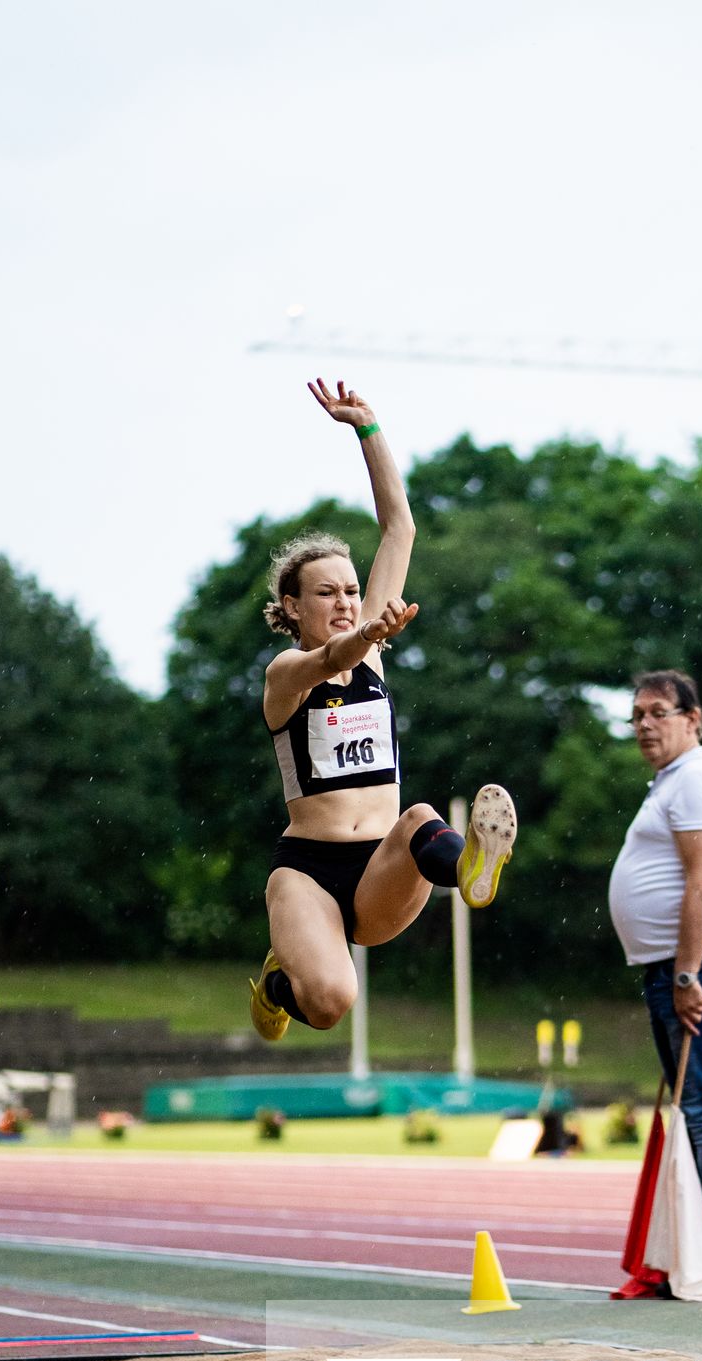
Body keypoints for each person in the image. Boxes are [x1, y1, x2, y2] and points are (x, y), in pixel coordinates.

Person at [248, 378, 517, 1042]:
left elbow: (400, 526)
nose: (344, 601)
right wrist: (368, 634)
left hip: (384, 873)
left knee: (420, 815)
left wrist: (367, 429)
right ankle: (281, 983)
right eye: (326, 593)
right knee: (334, 1001)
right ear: (291, 608)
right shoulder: (287, 673)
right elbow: (326, 662)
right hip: (308, 872)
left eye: (350, 590)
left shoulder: (367, 647)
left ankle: (469, 869)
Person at [608, 671, 702, 1295]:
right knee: (694, 1112)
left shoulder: (694, 777)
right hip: (680, 966)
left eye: (659, 712)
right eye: (636, 715)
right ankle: (699, 1256)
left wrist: (688, 973)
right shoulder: (672, 781)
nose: (645, 724)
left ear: (693, 719)